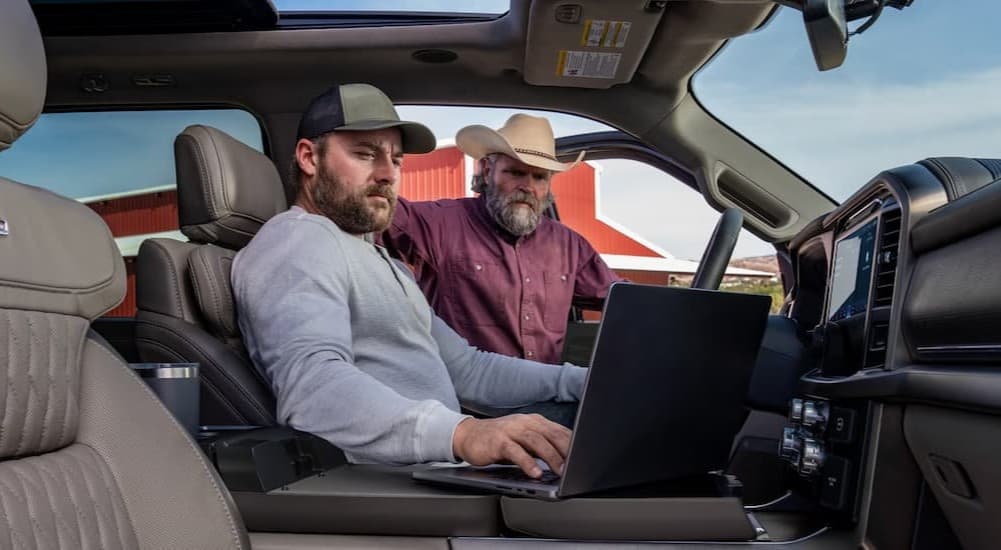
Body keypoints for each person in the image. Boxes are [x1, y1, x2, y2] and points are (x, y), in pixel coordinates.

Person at [232, 83, 587, 478]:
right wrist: (463, 434)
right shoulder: (298, 241)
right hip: (392, 491)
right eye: (365, 154)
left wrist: (580, 380)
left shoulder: (380, 260)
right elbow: (313, 390)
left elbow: (469, 369)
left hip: (438, 470)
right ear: (309, 158)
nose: (387, 174)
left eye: (396, 160)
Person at [381, 114, 623, 365]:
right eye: (516, 173)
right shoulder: (440, 224)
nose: (527, 187)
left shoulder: (569, 247)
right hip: (465, 401)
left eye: (539, 177)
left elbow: (623, 300)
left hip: (545, 396)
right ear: (487, 171)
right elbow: (373, 213)